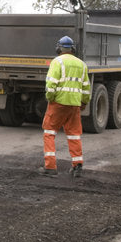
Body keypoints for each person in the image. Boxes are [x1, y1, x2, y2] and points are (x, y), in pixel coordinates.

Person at [40, 35, 91, 178]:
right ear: (72, 49)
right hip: (74, 105)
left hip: (58, 103)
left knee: (49, 133)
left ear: (59, 48)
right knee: (74, 135)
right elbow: (86, 88)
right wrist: (84, 102)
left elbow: (51, 85)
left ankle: (50, 167)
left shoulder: (57, 62)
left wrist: (50, 99)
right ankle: (77, 165)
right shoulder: (82, 64)